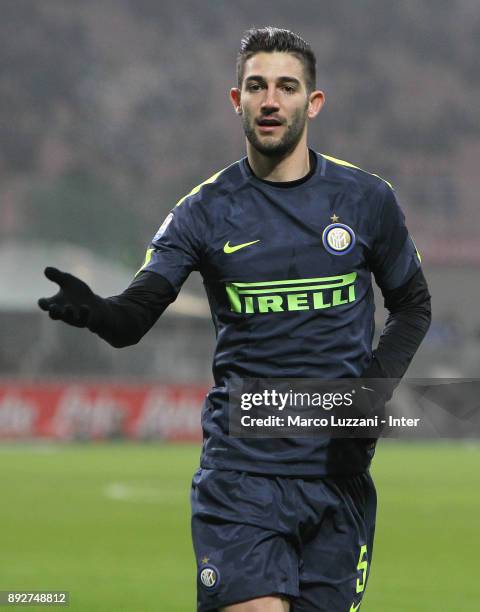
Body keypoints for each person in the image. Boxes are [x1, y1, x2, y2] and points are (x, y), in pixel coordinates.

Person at [38, 27, 431, 612]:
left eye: (286, 87)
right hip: (242, 477)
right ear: (237, 100)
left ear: (312, 102)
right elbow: (134, 316)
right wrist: (99, 311)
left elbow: (413, 305)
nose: (271, 100)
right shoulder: (204, 210)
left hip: (338, 474)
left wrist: (367, 400)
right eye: (257, 86)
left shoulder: (366, 200)